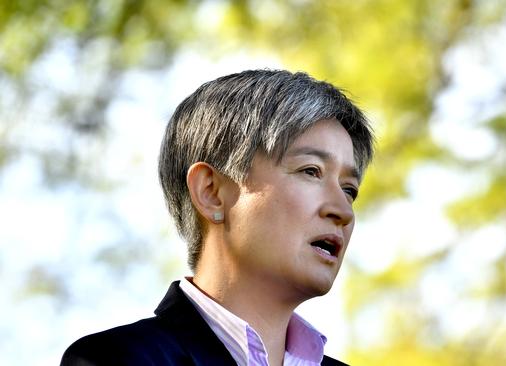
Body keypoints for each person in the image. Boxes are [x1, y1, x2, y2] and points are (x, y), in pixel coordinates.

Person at [60, 70, 374, 366]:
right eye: (311, 171)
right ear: (211, 191)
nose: (343, 211)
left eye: (349, 189)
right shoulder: (117, 359)